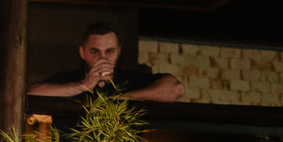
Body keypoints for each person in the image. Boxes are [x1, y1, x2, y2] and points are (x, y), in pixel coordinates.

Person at [28, 22, 184, 102]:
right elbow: (32, 93)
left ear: (119, 51)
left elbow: (176, 89)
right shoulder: (69, 80)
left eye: (110, 51)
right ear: (82, 52)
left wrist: (124, 98)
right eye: (95, 51)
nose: (102, 58)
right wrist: (83, 85)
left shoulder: (131, 80)